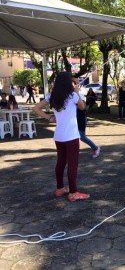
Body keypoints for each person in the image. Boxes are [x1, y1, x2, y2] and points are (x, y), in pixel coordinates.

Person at [33, 72, 89, 202]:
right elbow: (82, 107)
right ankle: (74, 192)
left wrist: (49, 118)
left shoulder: (52, 95)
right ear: (68, 82)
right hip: (71, 136)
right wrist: (77, 91)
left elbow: (36, 108)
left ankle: (60, 188)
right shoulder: (73, 95)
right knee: (72, 164)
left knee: (61, 162)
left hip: (59, 136)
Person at [73, 78, 101, 158]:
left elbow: (82, 107)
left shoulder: (80, 94)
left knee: (82, 137)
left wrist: (77, 93)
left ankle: (95, 148)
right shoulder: (72, 94)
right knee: (75, 137)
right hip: (74, 119)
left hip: (81, 118)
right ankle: (74, 152)